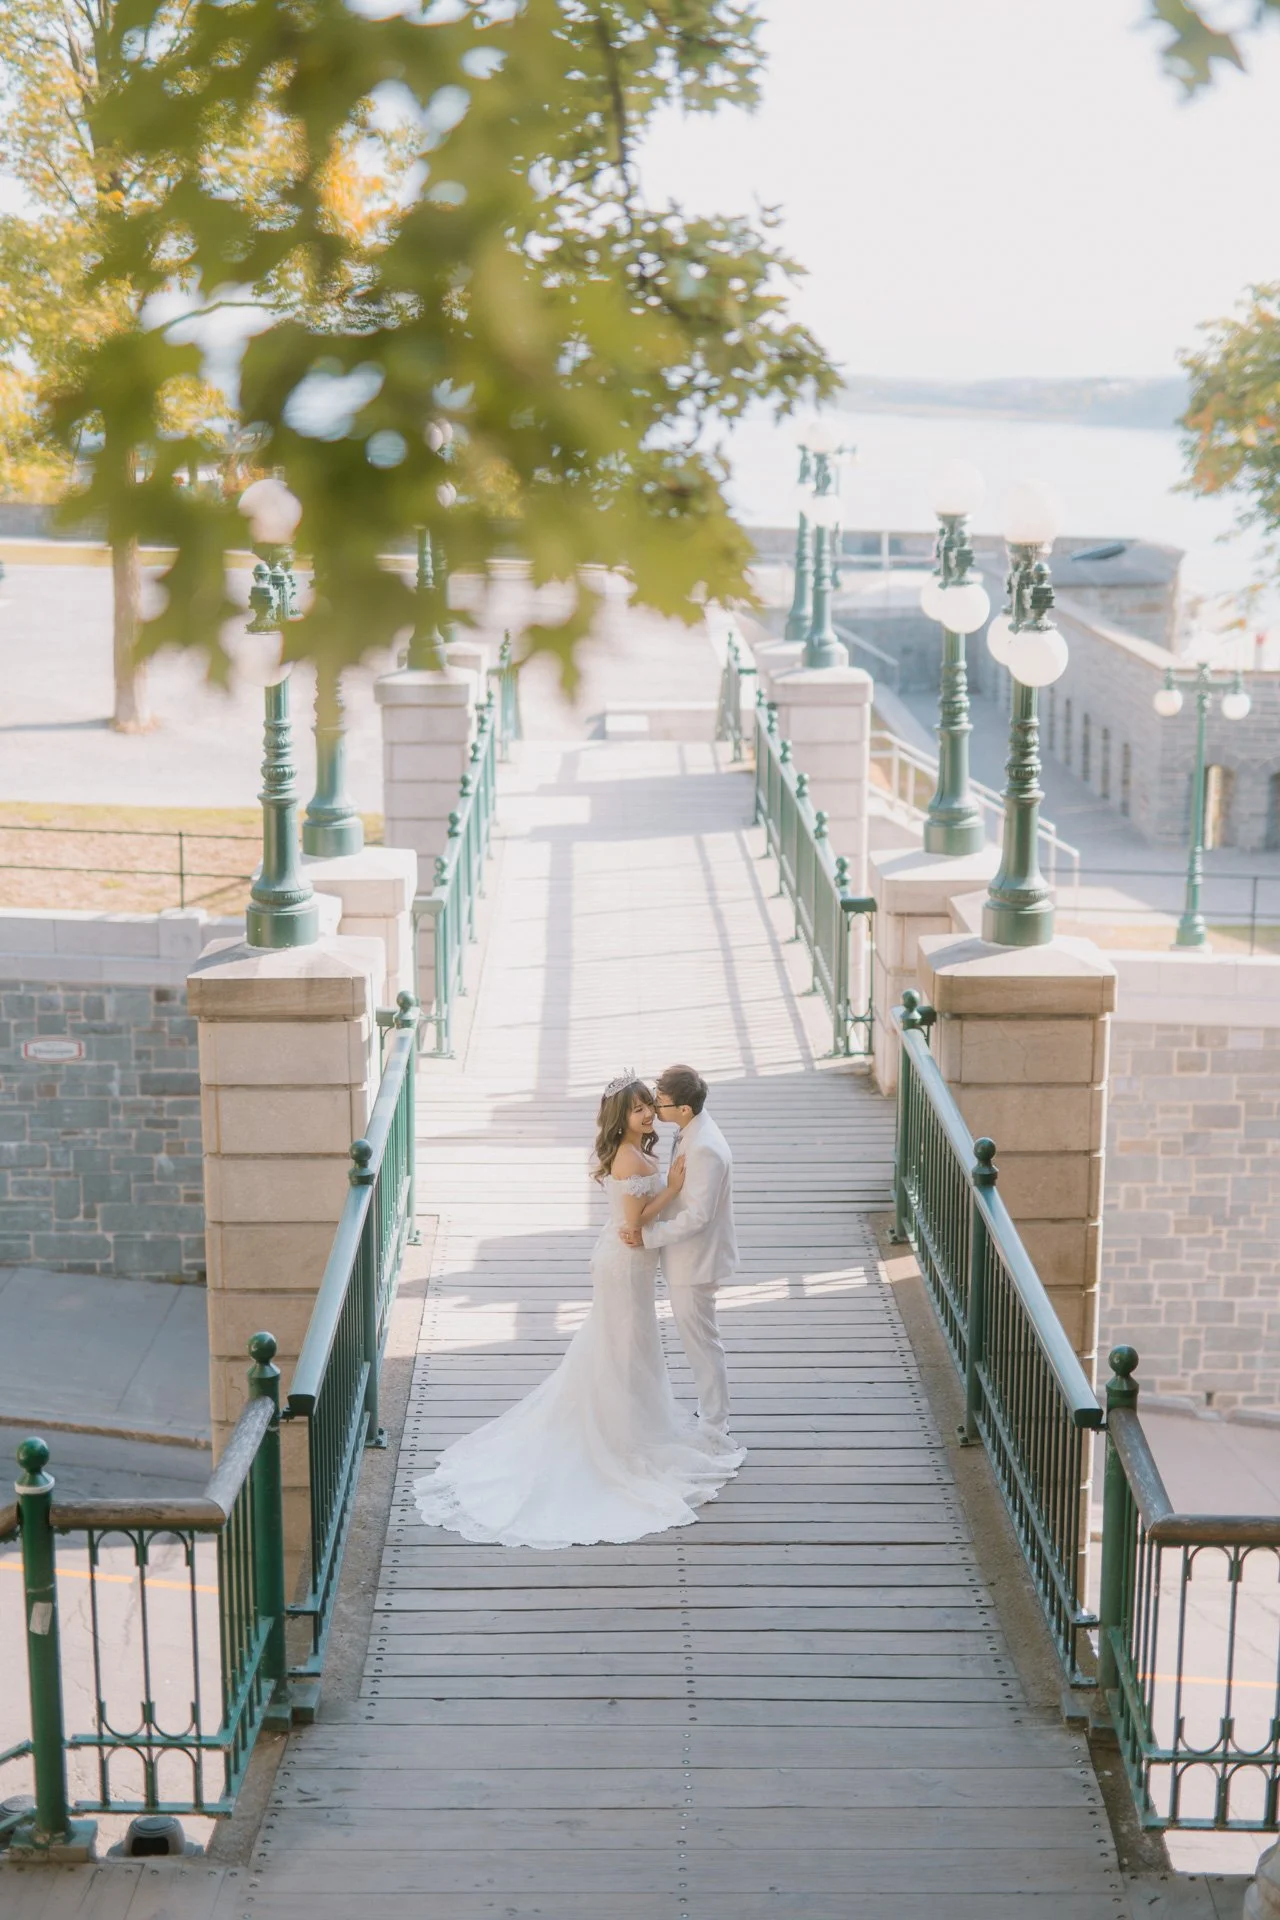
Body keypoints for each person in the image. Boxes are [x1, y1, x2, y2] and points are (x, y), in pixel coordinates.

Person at [413, 1072, 745, 1549]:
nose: (650, 1113)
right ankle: (619, 1437)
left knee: (628, 1345)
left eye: (652, 1105)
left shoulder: (653, 1148)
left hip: (636, 1260)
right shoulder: (633, 1157)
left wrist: (664, 1195)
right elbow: (632, 1223)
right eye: (639, 1109)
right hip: (625, 1262)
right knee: (622, 1345)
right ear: (620, 1118)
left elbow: (652, 1213)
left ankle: (638, 1425)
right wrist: (669, 1191)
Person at [620, 1063, 738, 1441]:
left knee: (702, 1345)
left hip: (696, 1262)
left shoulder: (705, 1148)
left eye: (661, 1102)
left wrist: (648, 1236)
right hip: (688, 1258)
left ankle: (714, 1428)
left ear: (684, 1109)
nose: (655, 1107)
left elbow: (699, 1216)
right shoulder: (693, 1130)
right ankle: (710, 1417)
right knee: (700, 1342)